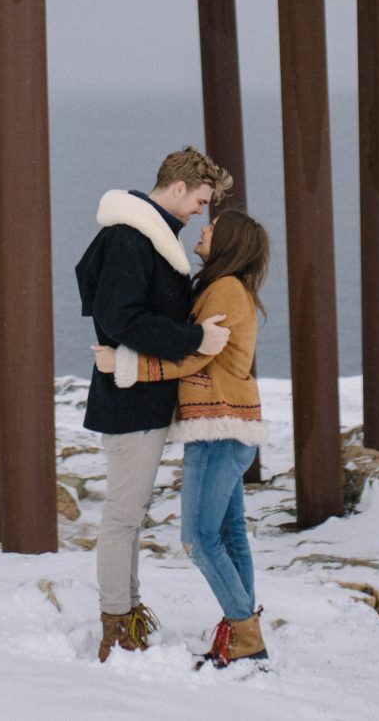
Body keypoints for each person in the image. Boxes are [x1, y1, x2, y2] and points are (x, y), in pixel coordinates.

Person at [73, 147, 234, 661]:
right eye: (201, 200)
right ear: (180, 186)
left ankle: (127, 610)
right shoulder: (130, 237)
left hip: (138, 395)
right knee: (123, 515)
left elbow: (118, 310)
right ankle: (115, 623)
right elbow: (119, 316)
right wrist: (192, 340)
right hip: (130, 401)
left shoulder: (149, 238)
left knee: (130, 513)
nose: (200, 212)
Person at [97, 209, 270, 670]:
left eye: (213, 228)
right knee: (231, 535)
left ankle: (244, 633)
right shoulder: (226, 287)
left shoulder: (225, 289)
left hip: (218, 426)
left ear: (229, 242)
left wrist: (128, 366)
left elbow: (195, 356)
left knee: (197, 538)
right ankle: (243, 636)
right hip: (230, 427)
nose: (204, 229)